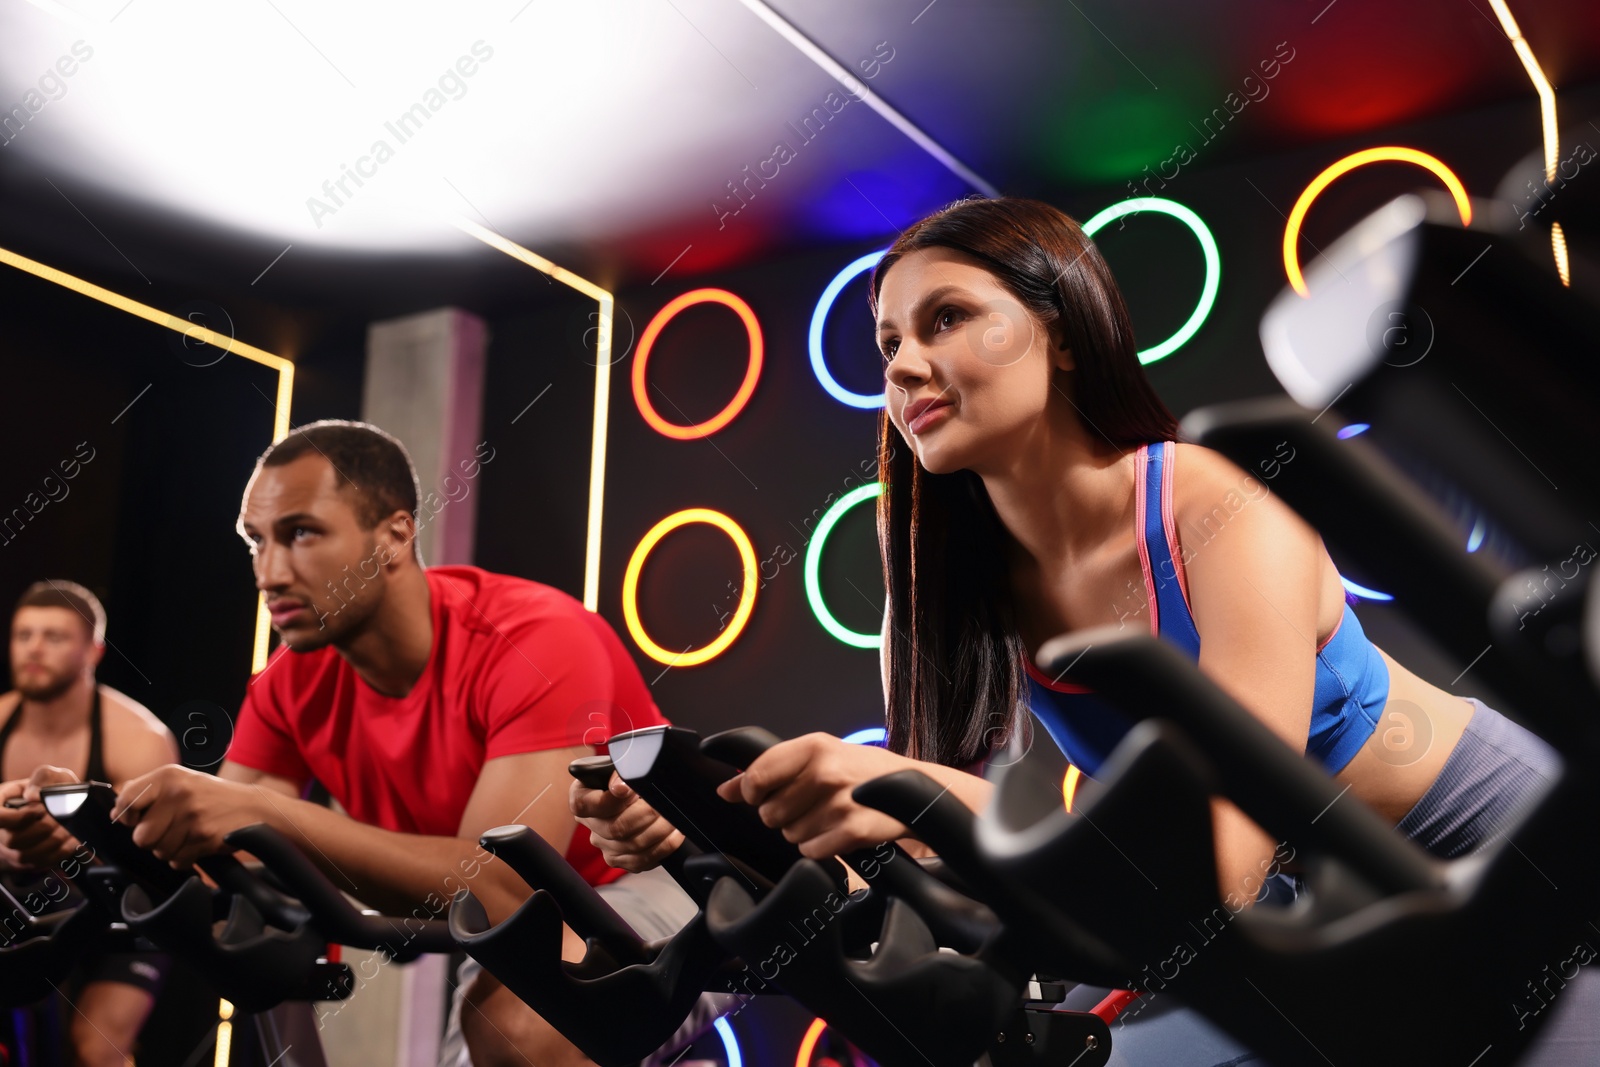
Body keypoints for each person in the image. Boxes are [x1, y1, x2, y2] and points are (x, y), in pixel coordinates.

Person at [576, 197, 1598, 1064]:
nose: (905, 364)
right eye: (889, 342)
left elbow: (1221, 864)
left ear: (1060, 330)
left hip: (1493, 849)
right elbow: (946, 872)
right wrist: (715, 838)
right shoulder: (950, 589)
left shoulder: (1205, 501)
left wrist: (906, 791)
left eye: (945, 319)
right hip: (1315, 917)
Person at [18, 421, 724, 1067]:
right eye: (256, 540)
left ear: (394, 536)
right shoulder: (291, 684)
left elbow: (506, 883)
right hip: (515, 922)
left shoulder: (535, 639)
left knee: (525, 1034)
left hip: (649, 878)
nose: (269, 573)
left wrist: (257, 815)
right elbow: (220, 850)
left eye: (300, 534)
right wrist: (79, 836)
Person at [0, 579, 179, 1067]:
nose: (34, 649)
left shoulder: (138, 739)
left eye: (54, 637)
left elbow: (157, 865)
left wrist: (68, 850)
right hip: (23, 905)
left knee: (96, 1051)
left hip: (124, 907)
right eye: (24, 635)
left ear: (93, 651)